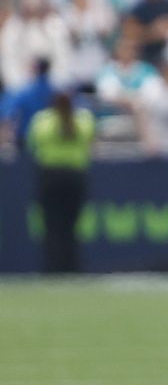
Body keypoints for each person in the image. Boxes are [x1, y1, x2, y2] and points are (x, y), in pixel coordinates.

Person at [25, 91, 94, 274]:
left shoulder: (42, 121)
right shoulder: (84, 120)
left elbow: (32, 144)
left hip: (50, 176)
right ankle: (72, 268)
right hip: (75, 176)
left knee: (52, 225)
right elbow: (90, 144)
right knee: (72, 225)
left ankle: (53, 269)